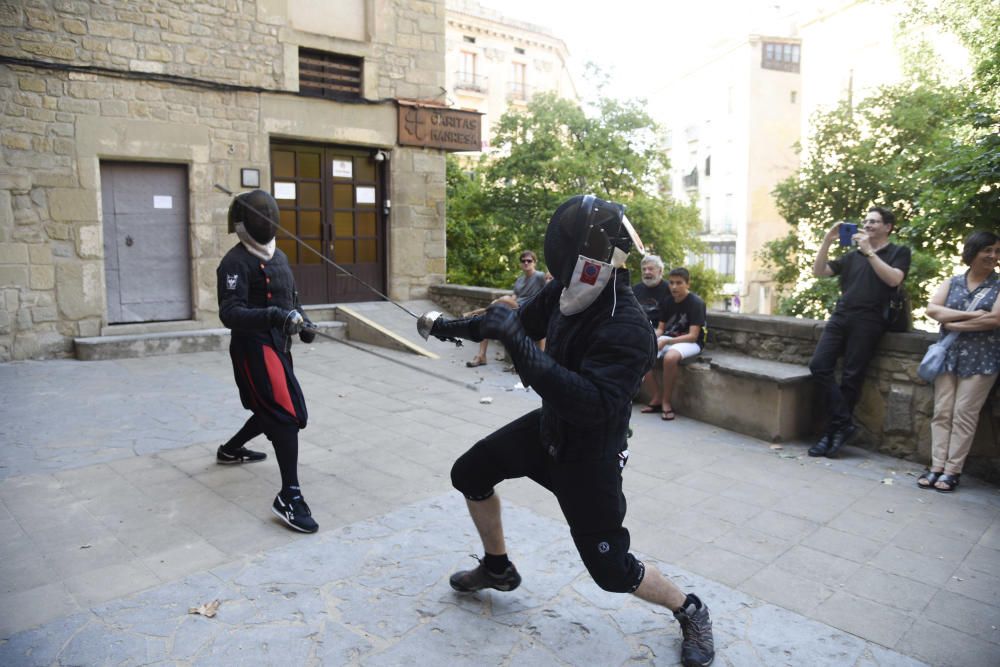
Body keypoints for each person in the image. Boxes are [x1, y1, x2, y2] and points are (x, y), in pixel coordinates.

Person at [419, 195, 715, 667]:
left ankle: (691, 608)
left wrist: (517, 343)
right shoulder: (568, 290)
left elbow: (592, 404)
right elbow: (512, 322)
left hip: (589, 455)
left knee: (612, 572)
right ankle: (497, 568)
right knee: (469, 473)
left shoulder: (629, 325)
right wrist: (448, 326)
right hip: (549, 430)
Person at [216, 189, 319, 533]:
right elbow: (230, 313)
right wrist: (276, 315)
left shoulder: (281, 257)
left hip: (278, 346)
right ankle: (289, 495)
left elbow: (293, 298)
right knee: (286, 414)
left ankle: (230, 450)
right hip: (253, 347)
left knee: (274, 409)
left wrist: (304, 322)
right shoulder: (234, 262)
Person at [807, 207, 911, 458]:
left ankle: (831, 434)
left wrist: (870, 252)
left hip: (870, 320)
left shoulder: (898, 252)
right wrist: (827, 240)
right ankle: (844, 423)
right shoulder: (852, 256)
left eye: (874, 221)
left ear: (888, 227)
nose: (867, 225)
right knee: (819, 366)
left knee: (852, 378)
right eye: (865, 221)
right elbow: (819, 271)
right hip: (842, 315)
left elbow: (894, 279)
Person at [920, 231, 1000, 493]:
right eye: (987, 250)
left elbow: (994, 320)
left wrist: (954, 323)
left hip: (982, 359)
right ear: (972, 252)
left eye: (996, 251)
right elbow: (933, 310)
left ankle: (952, 471)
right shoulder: (952, 282)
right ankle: (936, 466)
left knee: (964, 415)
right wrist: (970, 315)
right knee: (942, 412)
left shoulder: (999, 285)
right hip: (949, 355)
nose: (993, 256)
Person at [639, 268, 706, 421]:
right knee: (643, 351)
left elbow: (693, 336)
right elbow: (661, 329)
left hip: (691, 342)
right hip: (669, 338)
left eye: (679, 283)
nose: (674, 287)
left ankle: (666, 402)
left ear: (687, 284)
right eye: (671, 283)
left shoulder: (696, 303)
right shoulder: (667, 301)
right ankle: (656, 396)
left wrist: (667, 341)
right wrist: (649, 338)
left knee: (670, 358)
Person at [466, 250, 547, 367]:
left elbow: (550, 285)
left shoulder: (539, 276)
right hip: (515, 308)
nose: (526, 263)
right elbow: (514, 297)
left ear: (534, 262)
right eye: (523, 261)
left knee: (499, 301)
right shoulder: (520, 280)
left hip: (528, 309)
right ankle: (481, 355)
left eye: (529, 261)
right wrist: (504, 300)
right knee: (487, 318)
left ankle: (473, 313)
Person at [632, 254, 671, 329]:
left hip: (661, 331)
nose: (646, 272)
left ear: (660, 271)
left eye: (650, 269)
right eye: (644, 269)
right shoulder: (635, 289)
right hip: (638, 328)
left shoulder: (670, 289)